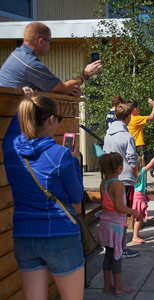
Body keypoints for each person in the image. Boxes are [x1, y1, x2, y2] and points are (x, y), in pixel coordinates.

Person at [3, 94, 85, 300]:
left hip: (24, 236)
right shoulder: (61, 154)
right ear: (51, 119)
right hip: (60, 234)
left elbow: (14, 129)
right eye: (58, 119)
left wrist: (25, 100)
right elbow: (77, 197)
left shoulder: (10, 149)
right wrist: (75, 162)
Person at [0, 22, 102, 96]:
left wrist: (71, 92)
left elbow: (52, 90)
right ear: (41, 41)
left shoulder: (18, 55)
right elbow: (63, 88)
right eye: (50, 42)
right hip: (12, 119)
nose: (50, 46)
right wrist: (85, 74)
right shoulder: (29, 63)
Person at [97, 152, 139, 297]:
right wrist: (133, 212)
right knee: (117, 255)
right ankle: (118, 287)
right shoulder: (118, 185)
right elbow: (118, 207)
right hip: (115, 225)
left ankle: (107, 284)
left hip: (104, 223)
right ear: (120, 168)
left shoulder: (103, 183)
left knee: (108, 254)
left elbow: (105, 204)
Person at [103, 103, 139, 259]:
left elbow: (104, 154)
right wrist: (135, 174)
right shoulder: (127, 136)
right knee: (122, 215)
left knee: (111, 213)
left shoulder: (107, 134)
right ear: (128, 117)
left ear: (116, 116)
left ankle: (111, 244)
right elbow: (132, 159)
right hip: (124, 178)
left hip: (110, 178)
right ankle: (122, 247)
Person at [131, 148, 154, 244]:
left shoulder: (132, 174)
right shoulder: (142, 171)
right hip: (139, 197)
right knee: (139, 218)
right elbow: (152, 163)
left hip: (134, 196)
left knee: (135, 217)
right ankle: (135, 236)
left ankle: (135, 233)